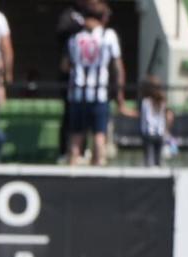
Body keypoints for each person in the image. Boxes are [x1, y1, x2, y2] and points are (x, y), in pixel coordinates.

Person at [64, 2, 125, 166]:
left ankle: (71, 171)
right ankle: (98, 171)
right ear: (103, 17)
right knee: (99, 136)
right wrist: (119, 95)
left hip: (78, 93)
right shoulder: (108, 35)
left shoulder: (75, 38)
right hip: (99, 93)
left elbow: (65, 65)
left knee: (76, 137)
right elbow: (117, 67)